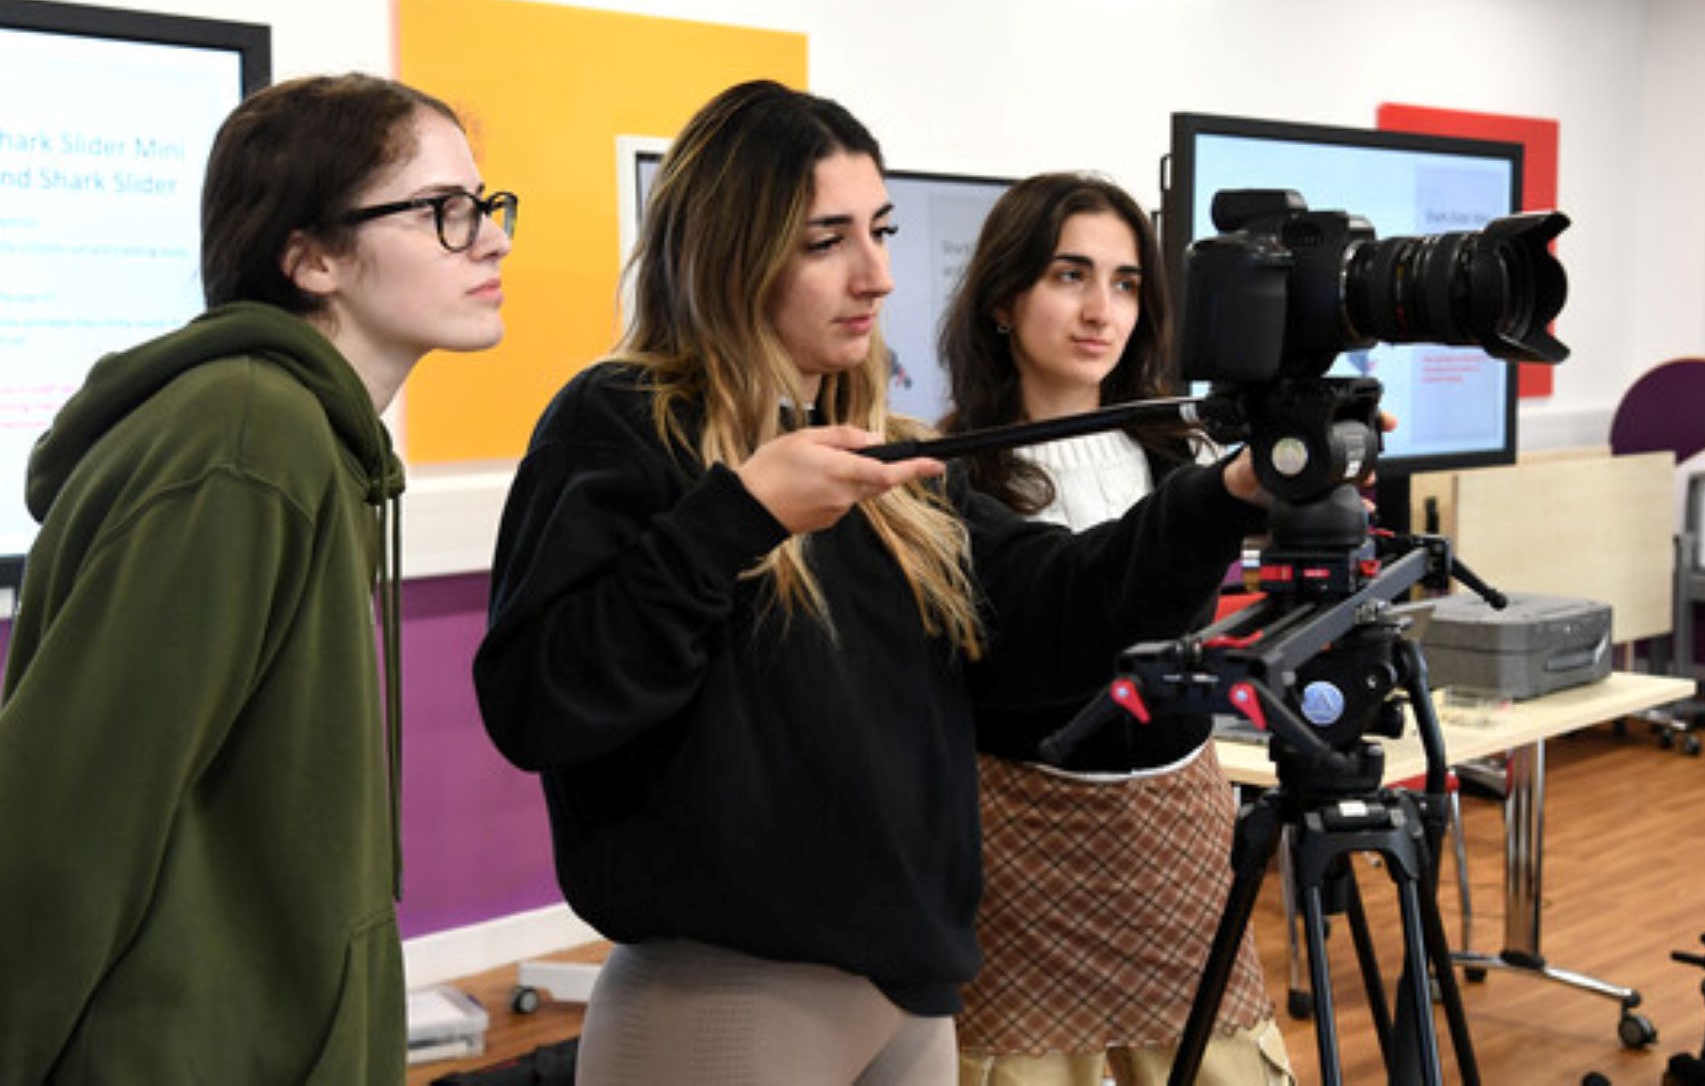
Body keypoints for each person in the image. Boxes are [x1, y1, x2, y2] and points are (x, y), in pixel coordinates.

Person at [472, 80, 1273, 1085]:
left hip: (910, 996)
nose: (878, 274)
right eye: (827, 241)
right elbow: (540, 699)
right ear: (732, 250)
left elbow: (1054, 610)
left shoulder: (885, 463)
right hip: (724, 997)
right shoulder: (625, 420)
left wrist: (1230, 491)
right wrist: (735, 519)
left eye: (882, 230)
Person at [0, 73, 515, 1083]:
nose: (490, 238)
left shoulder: (309, 438)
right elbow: (67, 824)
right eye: (444, 212)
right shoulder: (248, 435)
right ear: (312, 255)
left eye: (486, 207)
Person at [939, 172, 1292, 1086]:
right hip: (1023, 855)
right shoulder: (947, 479)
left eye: (1127, 282)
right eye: (1070, 275)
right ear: (1001, 301)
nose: (1103, 309)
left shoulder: (1189, 455)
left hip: (1179, 835)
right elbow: (1070, 609)